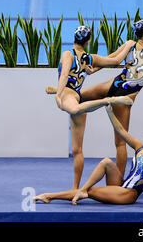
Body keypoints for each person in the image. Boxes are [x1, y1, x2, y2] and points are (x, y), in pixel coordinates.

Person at [46, 20, 143, 179]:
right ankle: (120, 180)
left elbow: (109, 59)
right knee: (121, 142)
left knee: (78, 97)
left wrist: (89, 70)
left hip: (113, 84)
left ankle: (60, 92)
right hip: (125, 96)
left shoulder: (129, 45)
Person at [34, 103, 143, 206]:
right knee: (106, 162)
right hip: (121, 185)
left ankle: (50, 196)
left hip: (128, 194)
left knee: (90, 192)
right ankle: (81, 190)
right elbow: (121, 131)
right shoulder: (140, 148)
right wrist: (109, 111)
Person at [52, 25, 136, 190]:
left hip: (69, 97)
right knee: (77, 150)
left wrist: (58, 94)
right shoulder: (89, 58)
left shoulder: (67, 53)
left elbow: (64, 75)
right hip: (76, 96)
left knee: (75, 109)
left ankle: (106, 100)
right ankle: (75, 187)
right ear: (88, 41)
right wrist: (127, 45)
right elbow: (114, 60)